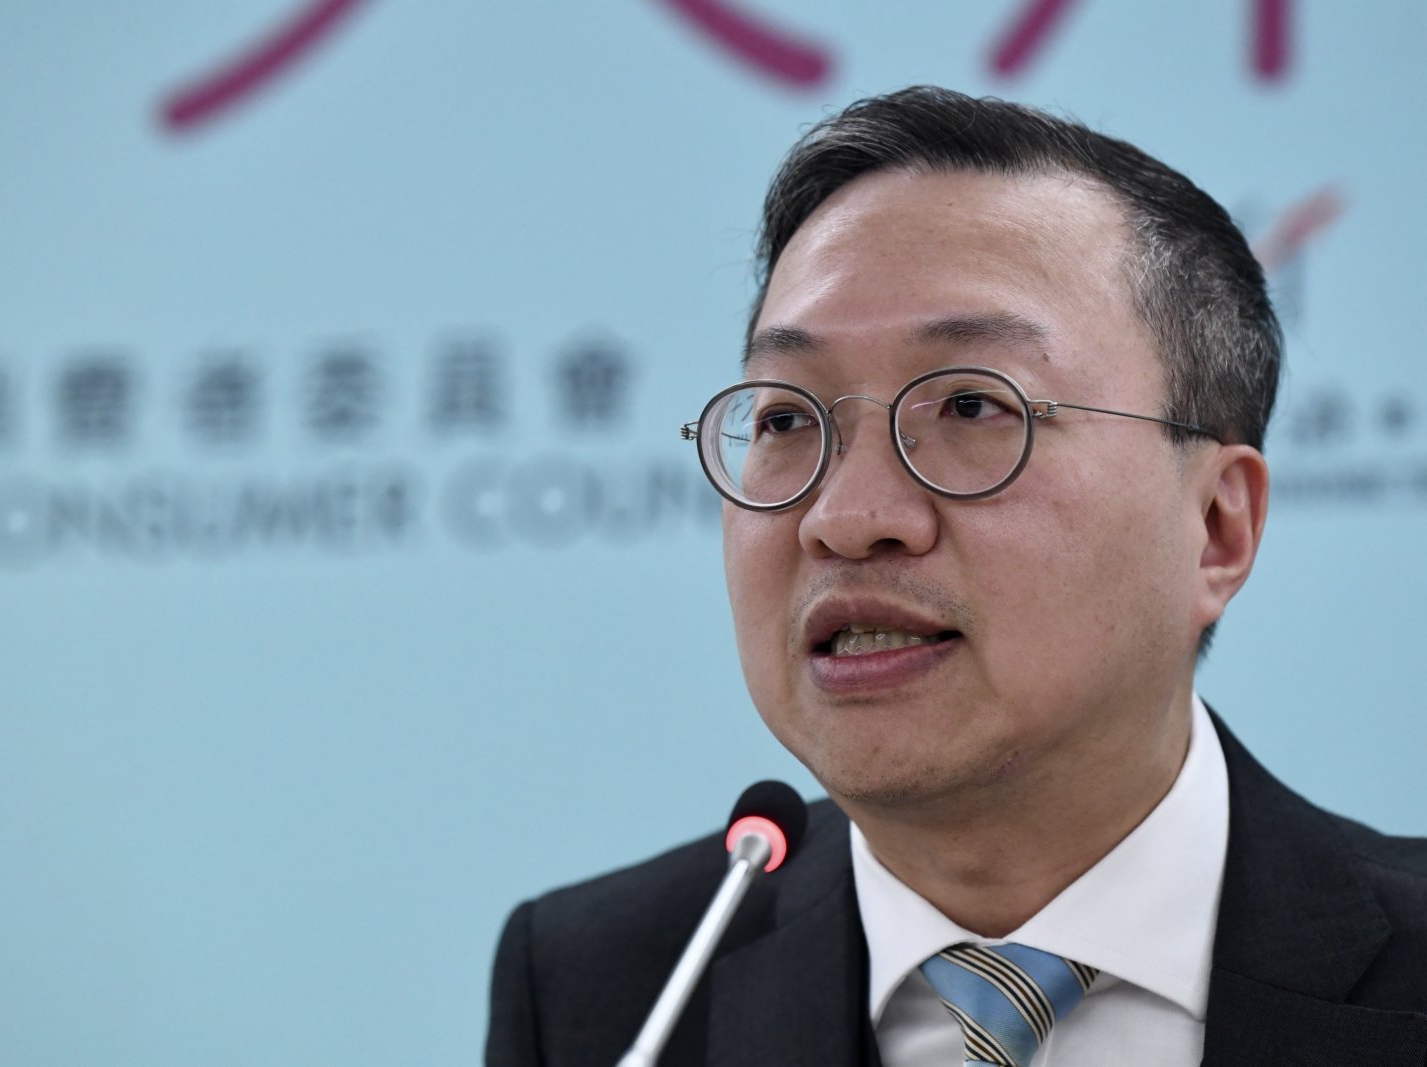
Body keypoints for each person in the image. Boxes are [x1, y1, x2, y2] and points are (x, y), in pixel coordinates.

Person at [485, 86, 1427, 1066]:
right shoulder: (604, 991)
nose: (846, 519)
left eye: (972, 407)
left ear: (1216, 528)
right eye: (785, 419)